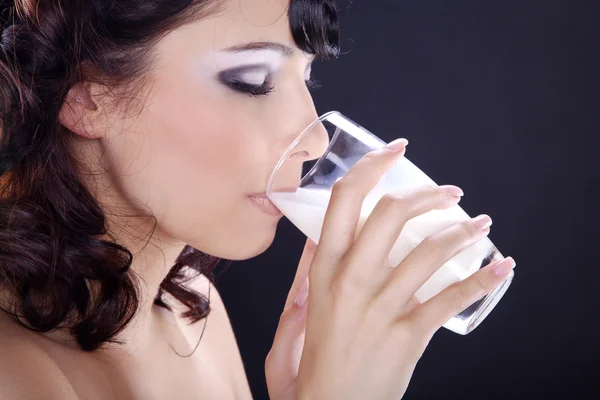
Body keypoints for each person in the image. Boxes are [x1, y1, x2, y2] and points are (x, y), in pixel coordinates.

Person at [0, 0, 516, 399]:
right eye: (252, 80)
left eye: (306, 78)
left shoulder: (190, 312)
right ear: (87, 96)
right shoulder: (15, 372)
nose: (313, 140)